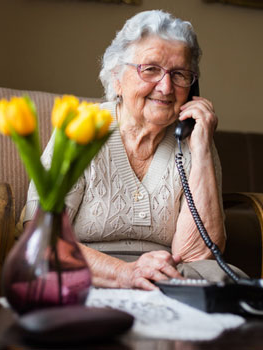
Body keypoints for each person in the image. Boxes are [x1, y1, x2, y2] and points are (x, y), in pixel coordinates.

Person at [24, 10, 245, 291]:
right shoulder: (80, 129)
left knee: (224, 284)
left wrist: (200, 151)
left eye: (180, 74)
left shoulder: (194, 136)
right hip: (86, 272)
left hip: (166, 278)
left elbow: (198, 256)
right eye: (150, 69)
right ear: (117, 77)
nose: (166, 87)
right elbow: (43, 239)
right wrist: (126, 273)